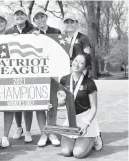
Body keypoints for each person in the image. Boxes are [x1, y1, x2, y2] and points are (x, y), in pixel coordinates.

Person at [63, 12, 103, 150]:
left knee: (85, 104)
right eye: (66, 22)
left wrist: (81, 78)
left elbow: (86, 56)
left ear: (76, 23)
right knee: (72, 104)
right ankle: (74, 133)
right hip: (67, 73)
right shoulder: (61, 37)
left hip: (79, 72)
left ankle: (95, 134)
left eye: (72, 22)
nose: (69, 24)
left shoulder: (83, 38)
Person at [51, 54, 101, 158]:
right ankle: (76, 139)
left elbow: (94, 108)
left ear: (85, 67)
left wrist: (86, 123)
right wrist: (53, 104)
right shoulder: (64, 80)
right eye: (76, 60)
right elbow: (63, 101)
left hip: (85, 120)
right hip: (70, 120)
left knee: (78, 154)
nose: (77, 64)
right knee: (66, 152)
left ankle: (95, 137)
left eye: (81, 63)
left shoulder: (90, 83)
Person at [30, 8, 61, 147]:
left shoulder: (57, 32)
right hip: (37, 73)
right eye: (37, 18)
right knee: (40, 105)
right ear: (34, 21)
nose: (40, 19)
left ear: (46, 17)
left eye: (42, 16)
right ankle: (43, 133)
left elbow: (60, 51)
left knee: (53, 104)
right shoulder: (31, 34)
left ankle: (52, 132)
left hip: (53, 72)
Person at [6, 7, 35, 143]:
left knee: (27, 103)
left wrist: (36, 37)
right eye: (16, 14)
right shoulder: (8, 32)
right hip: (13, 71)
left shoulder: (34, 30)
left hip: (29, 71)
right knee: (16, 102)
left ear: (26, 16)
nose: (19, 16)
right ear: (14, 17)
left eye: (21, 14)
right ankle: (19, 128)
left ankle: (28, 130)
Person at [0, 13, 14, 148]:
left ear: (5, 24)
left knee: (9, 106)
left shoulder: (13, 37)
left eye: (2, 21)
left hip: (9, 77)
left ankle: (5, 136)